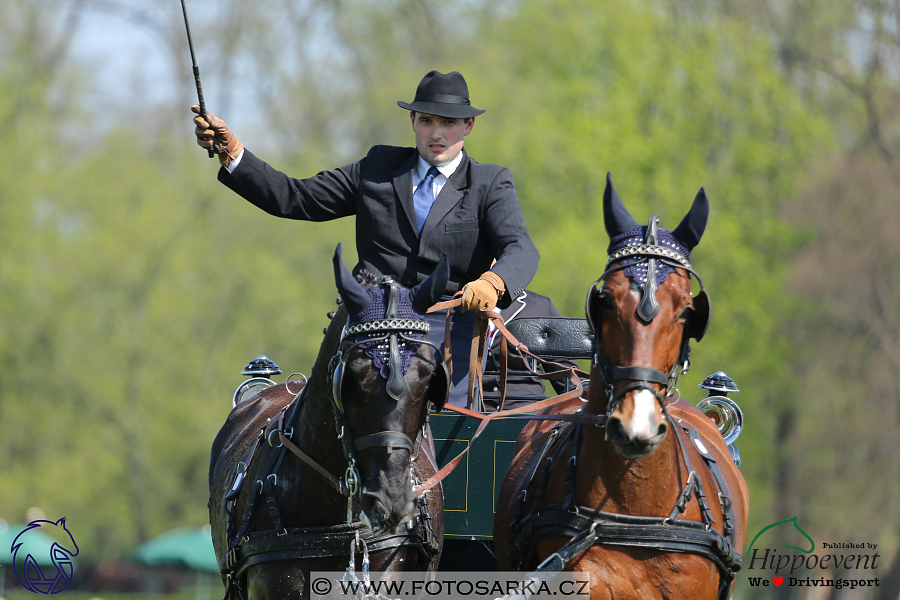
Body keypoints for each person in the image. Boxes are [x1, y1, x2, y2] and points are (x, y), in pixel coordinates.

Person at [192, 70, 539, 407]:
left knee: (446, 431)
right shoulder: (377, 168)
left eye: (448, 123)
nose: (437, 133)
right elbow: (294, 197)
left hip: (448, 330)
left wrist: (493, 282)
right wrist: (233, 153)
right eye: (427, 121)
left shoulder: (489, 183)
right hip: (372, 323)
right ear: (413, 122)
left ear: (468, 126)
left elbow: (520, 246)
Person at [479, 290, 584, 412]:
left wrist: (592, 396)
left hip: (530, 415)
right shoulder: (454, 305)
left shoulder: (540, 306)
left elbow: (566, 373)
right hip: (465, 416)